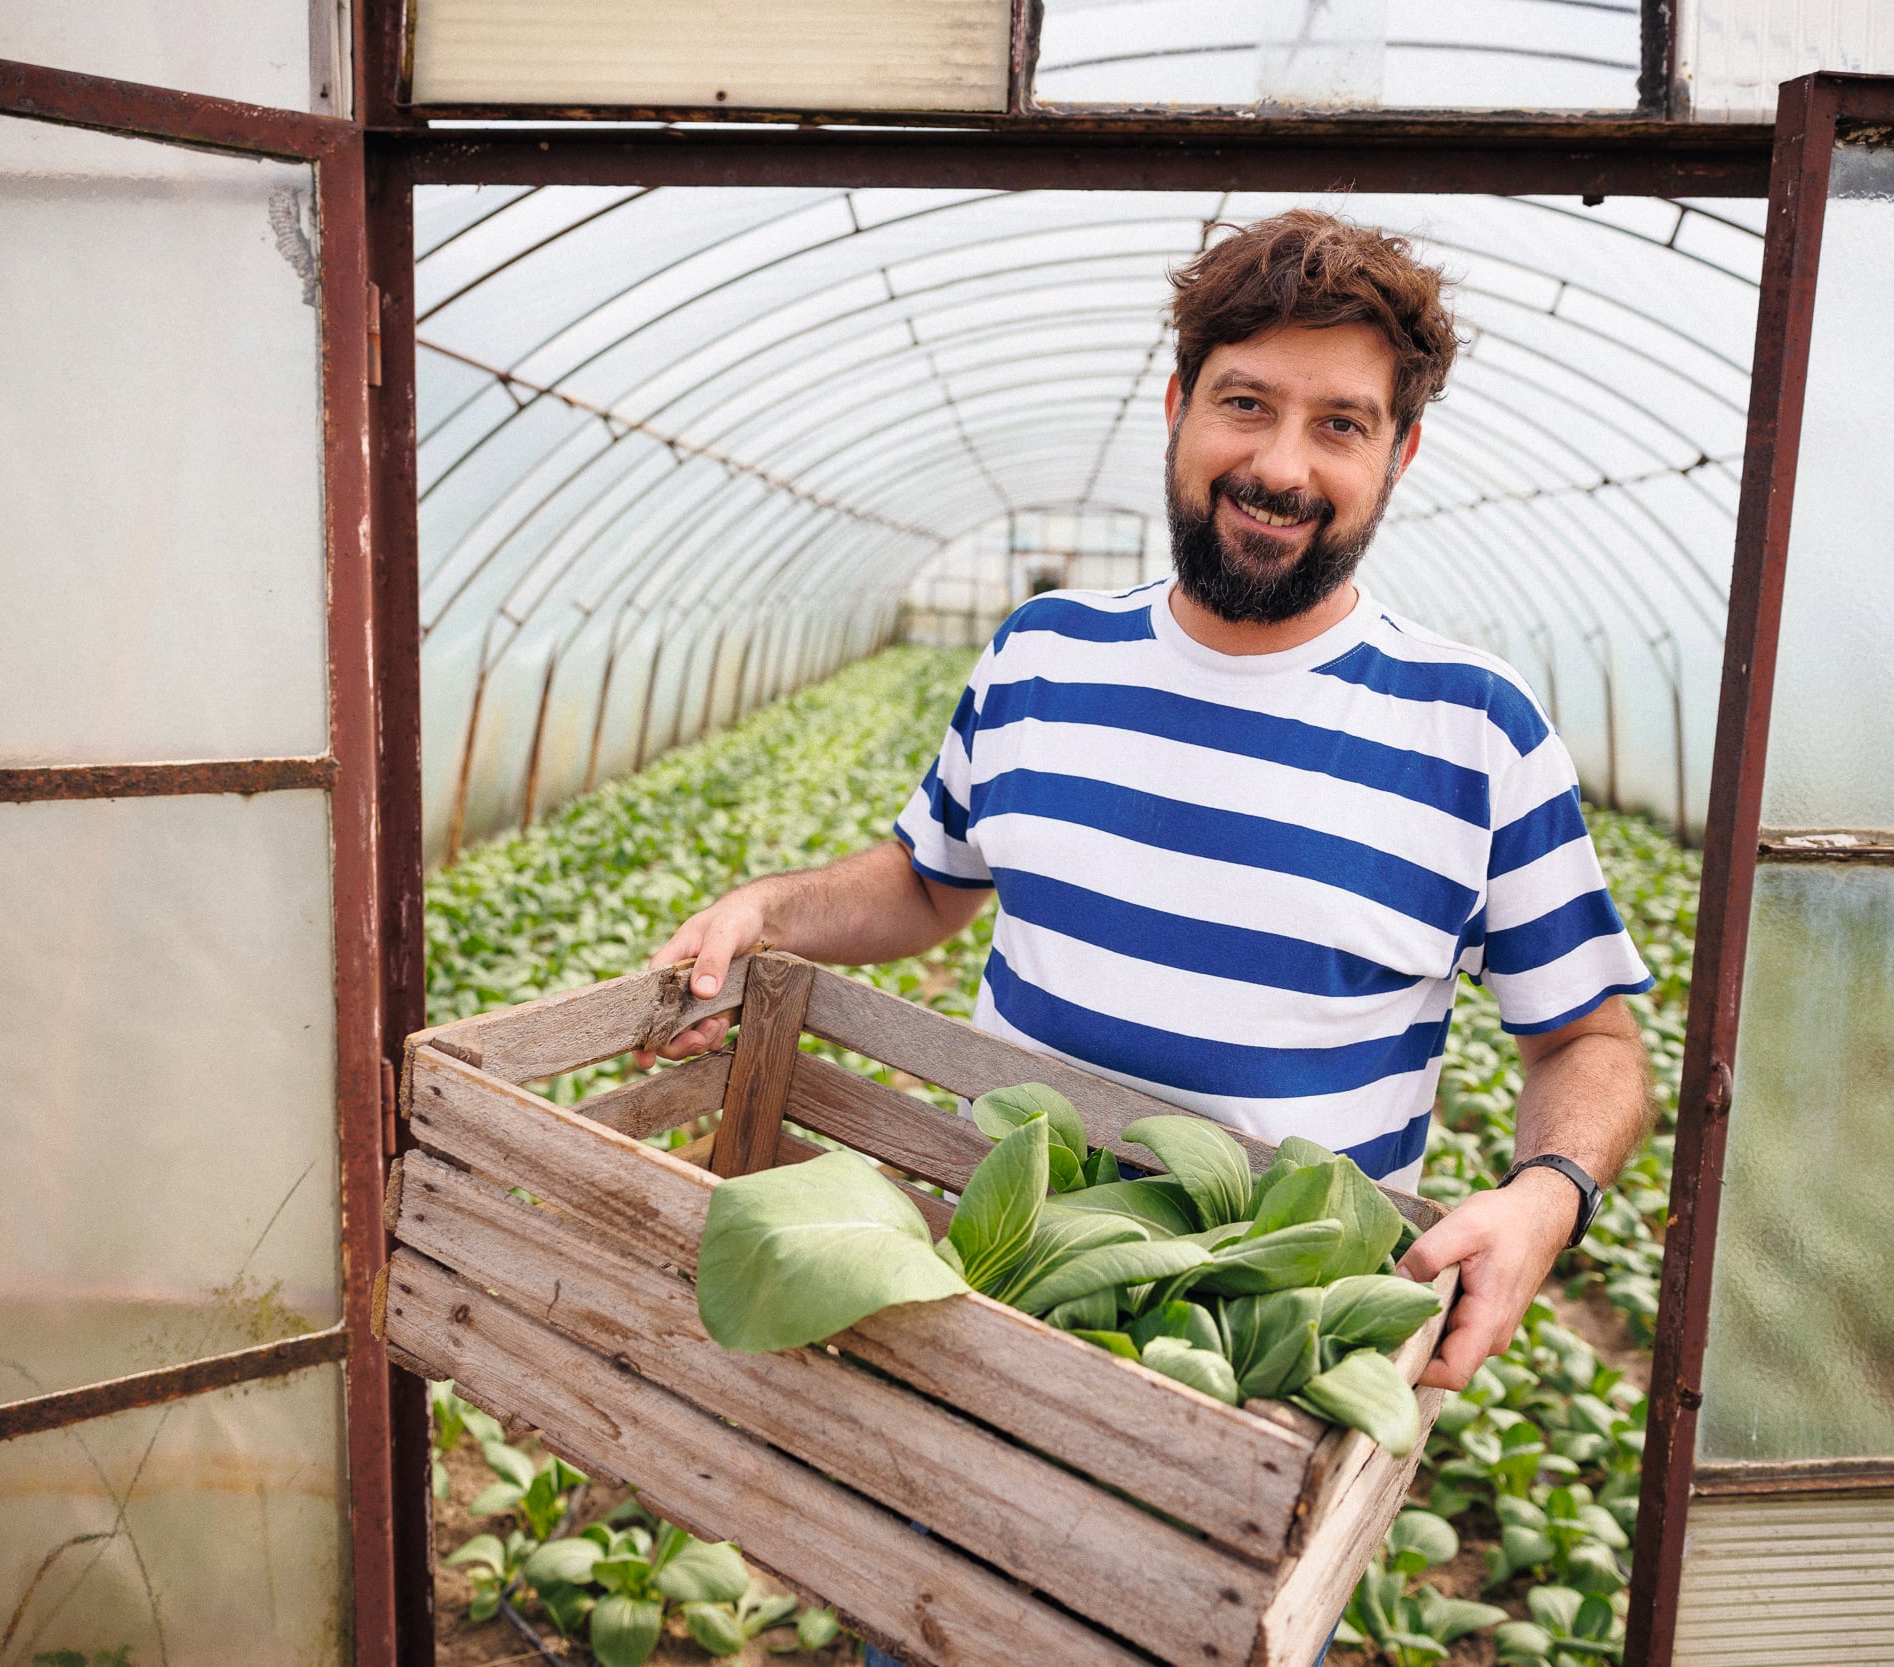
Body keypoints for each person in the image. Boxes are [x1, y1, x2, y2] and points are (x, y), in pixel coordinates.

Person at [638, 209, 1654, 1665]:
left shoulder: (1474, 730)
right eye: (1247, 403)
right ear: (1179, 406)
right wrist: (767, 911)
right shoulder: (1043, 658)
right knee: (924, 1628)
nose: (1282, 466)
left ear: (1400, 456)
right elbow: (928, 883)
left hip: (1256, 1381)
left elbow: (1590, 1037)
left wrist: (1549, 1194)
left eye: (1341, 425)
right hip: (996, 1312)